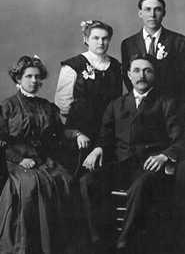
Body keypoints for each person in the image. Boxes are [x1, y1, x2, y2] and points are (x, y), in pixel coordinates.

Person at [83, 54, 185, 253]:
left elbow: (180, 139)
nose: (142, 76)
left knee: (140, 186)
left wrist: (164, 156)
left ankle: (124, 242)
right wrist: (97, 149)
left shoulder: (167, 103)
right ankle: (99, 239)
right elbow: (105, 136)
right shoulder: (116, 104)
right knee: (88, 182)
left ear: (154, 75)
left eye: (148, 71)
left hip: (152, 167)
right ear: (129, 75)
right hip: (123, 166)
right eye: (136, 70)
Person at [55, 20, 123, 252]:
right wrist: (76, 132)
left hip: (107, 135)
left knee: (104, 181)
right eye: (95, 38)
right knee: (80, 183)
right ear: (86, 39)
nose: (101, 42)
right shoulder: (72, 66)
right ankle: (83, 240)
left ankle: (106, 238)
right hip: (79, 136)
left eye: (105, 38)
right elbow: (63, 107)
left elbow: (118, 104)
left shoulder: (116, 66)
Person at [0, 55, 72, 254]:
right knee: (30, 185)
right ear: (18, 79)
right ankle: (27, 246)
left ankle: (55, 244)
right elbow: (2, 139)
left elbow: (59, 132)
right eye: (29, 76)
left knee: (63, 179)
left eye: (37, 77)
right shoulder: (8, 106)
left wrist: (76, 133)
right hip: (14, 158)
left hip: (42, 158)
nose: (34, 81)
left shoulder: (46, 105)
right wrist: (19, 159)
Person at [121, 0, 185, 100]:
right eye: (147, 9)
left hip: (170, 103)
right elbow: (128, 78)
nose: (152, 15)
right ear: (140, 13)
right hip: (141, 103)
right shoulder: (128, 43)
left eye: (157, 9)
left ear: (164, 13)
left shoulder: (179, 41)